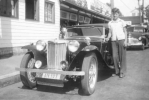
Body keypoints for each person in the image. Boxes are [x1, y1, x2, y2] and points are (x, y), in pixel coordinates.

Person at [105, 8, 127, 78]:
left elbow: (125, 32)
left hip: (121, 40)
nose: (115, 15)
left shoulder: (122, 22)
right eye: (113, 14)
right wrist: (108, 37)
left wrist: (126, 41)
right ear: (112, 14)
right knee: (114, 56)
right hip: (113, 41)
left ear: (118, 14)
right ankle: (116, 71)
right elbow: (110, 33)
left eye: (116, 14)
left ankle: (122, 72)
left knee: (122, 57)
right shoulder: (110, 23)